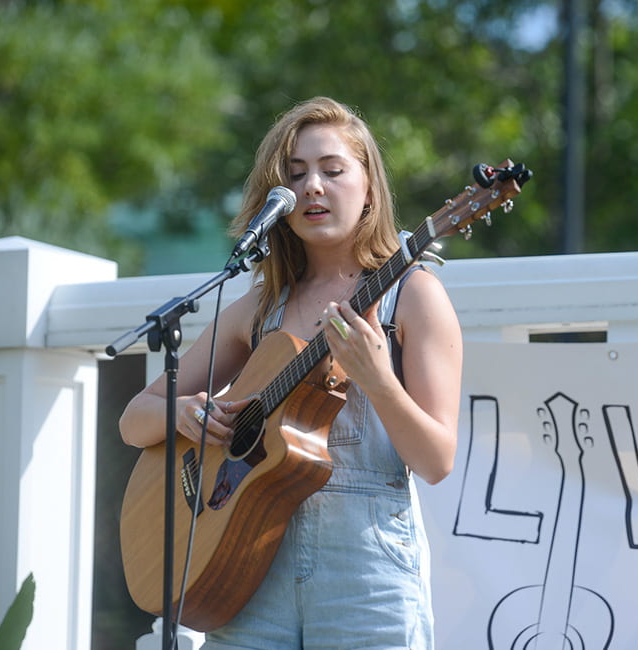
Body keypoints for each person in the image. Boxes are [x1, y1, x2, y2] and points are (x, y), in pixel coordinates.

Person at [118, 96, 462, 649]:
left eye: (332, 170)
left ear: (369, 185)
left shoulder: (413, 299)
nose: (312, 188)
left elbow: (436, 460)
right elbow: (135, 420)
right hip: (246, 570)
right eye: (295, 175)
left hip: (367, 574)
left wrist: (376, 377)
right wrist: (185, 414)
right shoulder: (259, 307)